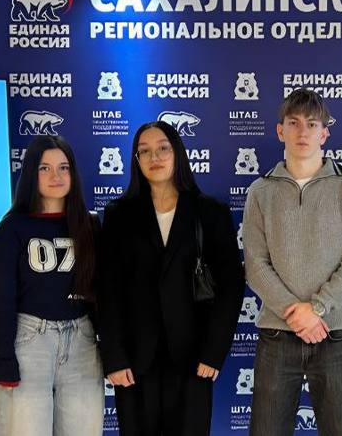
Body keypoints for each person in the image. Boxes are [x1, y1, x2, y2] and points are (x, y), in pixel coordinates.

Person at [99, 121, 245, 436]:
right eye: (145, 151)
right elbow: (107, 291)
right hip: (135, 362)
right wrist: (114, 357)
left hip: (194, 359)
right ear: (136, 160)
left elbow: (231, 287)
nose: (155, 157)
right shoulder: (118, 215)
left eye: (163, 148)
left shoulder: (210, 212)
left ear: (177, 152)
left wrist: (214, 352)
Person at [243, 88, 342, 436]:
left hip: (333, 331)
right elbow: (256, 265)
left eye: (312, 124)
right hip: (277, 334)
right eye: (294, 123)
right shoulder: (260, 191)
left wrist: (316, 309)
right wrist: (295, 313)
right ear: (280, 130)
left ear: (324, 133)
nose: (303, 132)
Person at [0, 135, 104, 436]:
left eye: (63, 167)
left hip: (82, 339)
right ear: (31, 173)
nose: (56, 176)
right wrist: (4, 358)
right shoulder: (12, 227)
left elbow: (101, 292)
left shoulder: (90, 225)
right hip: (29, 339)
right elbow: (4, 298)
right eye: (45, 168)